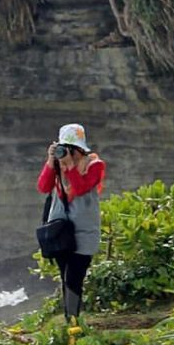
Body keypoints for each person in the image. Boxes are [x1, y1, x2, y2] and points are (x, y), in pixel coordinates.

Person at [37, 122, 106, 322]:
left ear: (81, 149)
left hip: (84, 231)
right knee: (65, 275)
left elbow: (81, 187)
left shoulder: (94, 165)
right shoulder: (58, 166)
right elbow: (43, 187)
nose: (68, 152)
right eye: (64, 147)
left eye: (72, 148)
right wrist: (52, 161)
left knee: (75, 276)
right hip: (60, 230)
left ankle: (72, 319)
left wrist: (70, 166)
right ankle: (71, 319)